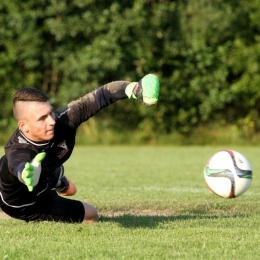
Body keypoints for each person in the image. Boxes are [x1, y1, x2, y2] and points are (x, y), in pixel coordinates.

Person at [0, 74, 160, 223]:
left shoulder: (63, 119)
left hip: (44, 171)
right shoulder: (17, 150)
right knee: (92, 215)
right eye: (42, 118)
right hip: (25, 203)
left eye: (50, 113)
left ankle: (55, 179)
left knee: (70, 189)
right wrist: (26, 174)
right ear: (24, 126)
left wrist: (134, 88)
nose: (51, 121)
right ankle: (54, 180)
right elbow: (18, 163)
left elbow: (102, 94)